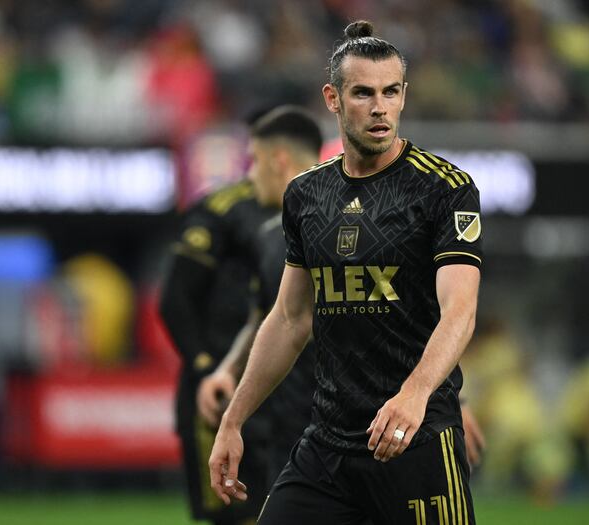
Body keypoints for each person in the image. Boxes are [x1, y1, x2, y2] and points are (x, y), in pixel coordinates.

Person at [209, 20, 482, 524]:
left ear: (404, 96)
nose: (380, 107)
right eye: (363, 93)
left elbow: (459, 314)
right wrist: (234, 420)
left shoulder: (445, 190)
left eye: (391, 92)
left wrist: (413, 395)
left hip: (414, 441)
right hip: (328, 449)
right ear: (333, 99)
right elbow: (290, 319)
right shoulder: (306, 194)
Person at [196, 105, 323, 487]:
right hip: (290, 426)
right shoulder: (271, 239)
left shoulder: (339, 228)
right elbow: (269, 315)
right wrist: (228, 370)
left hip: (344, 426)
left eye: (253, 161)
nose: (250, 175)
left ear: (278, 161)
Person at [160, 142, 277, 523]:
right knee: (236, 514)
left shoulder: (312, 207)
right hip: (222, 391)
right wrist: (206, 366)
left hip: (286, 396)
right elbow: (174, 299)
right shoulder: (219, 213)